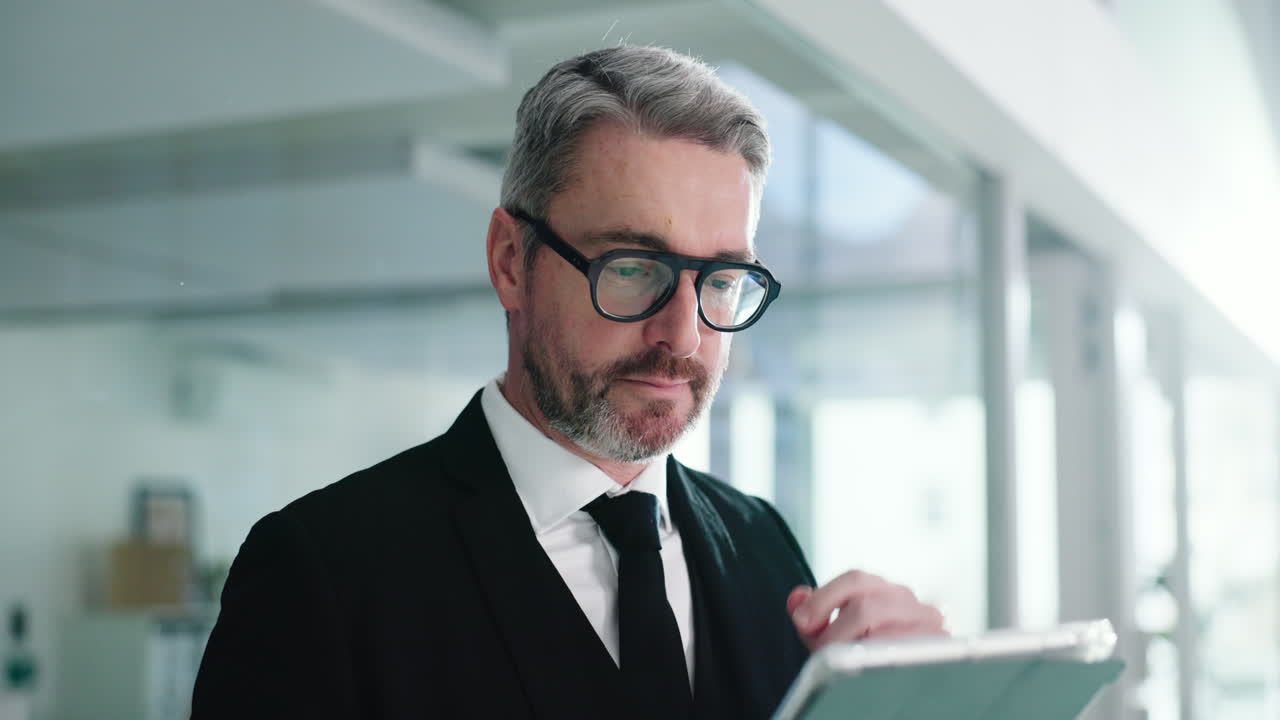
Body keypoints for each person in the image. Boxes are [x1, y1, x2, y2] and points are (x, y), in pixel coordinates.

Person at [191, 45, 945, 720]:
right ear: (511, 262)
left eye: (721, 280)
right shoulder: (325, 572)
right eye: (632, 268)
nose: (682, 336)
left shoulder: (760, 545)